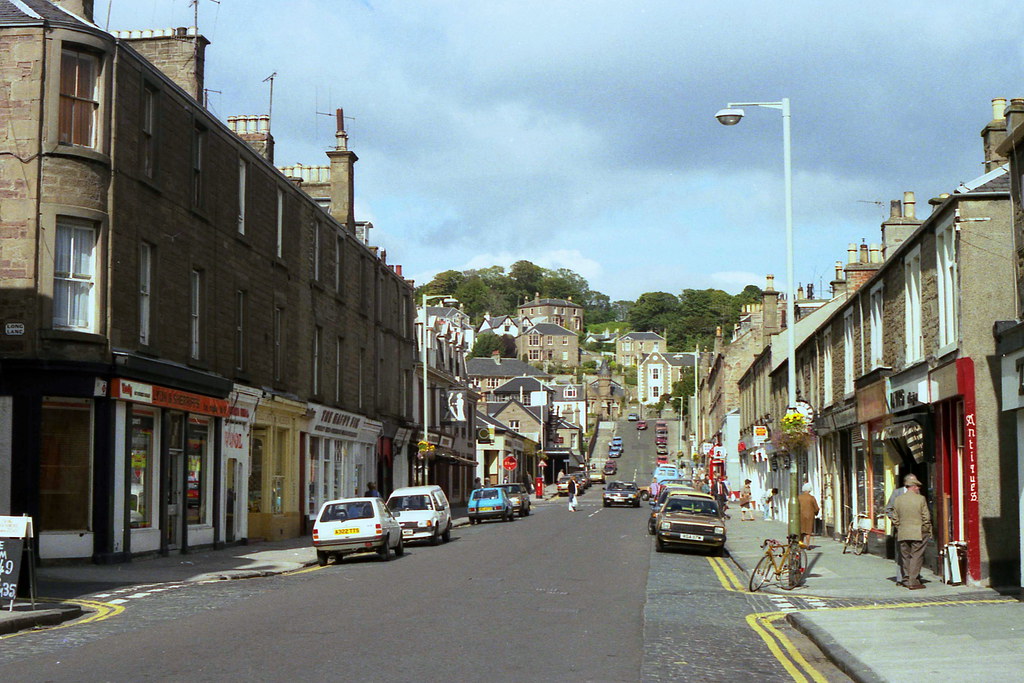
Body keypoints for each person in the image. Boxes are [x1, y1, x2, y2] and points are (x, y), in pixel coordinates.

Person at [891, 474, 932, 590]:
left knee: (905, 556)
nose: (918, 488)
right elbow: (926, 517)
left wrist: (900, 527)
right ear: (913, 487)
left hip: (903, 532)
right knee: (916, 556)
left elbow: (895, 517)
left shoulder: (898, 499)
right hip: (918, 532)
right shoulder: (920, 499)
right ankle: (913, 581)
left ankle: (906, 578)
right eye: (917, 487)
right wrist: (926, 529)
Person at [885, 474, 909, 585]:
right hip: (900, 529)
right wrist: (896, 522)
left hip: (913, 529)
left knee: (912, 554)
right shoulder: (897, 493)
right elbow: (888, 509)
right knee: (900, 554)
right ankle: (900, 578)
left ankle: (911, 576)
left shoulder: (916, 493)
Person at [798, 483, 819, 547]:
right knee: (808, 531)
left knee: (801, 531)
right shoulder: (811, 498)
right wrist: (816, 512)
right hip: (809, 516)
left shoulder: (799, 498)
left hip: (800, 516)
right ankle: (807, 545)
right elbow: (816, 508)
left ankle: (800, 543)